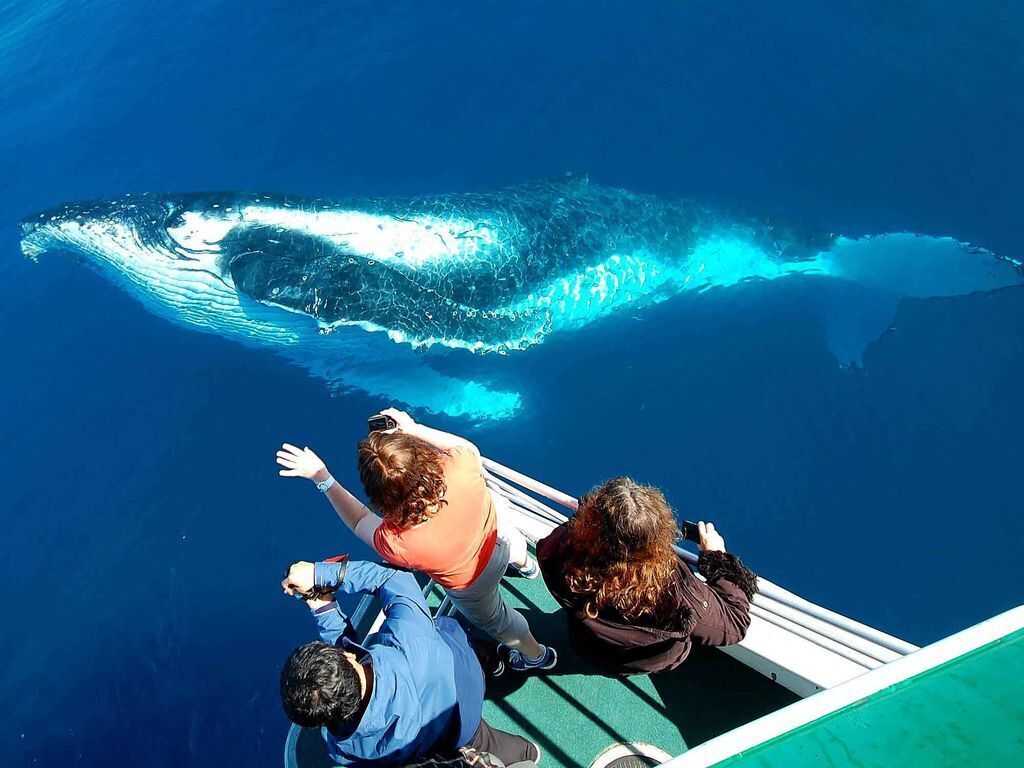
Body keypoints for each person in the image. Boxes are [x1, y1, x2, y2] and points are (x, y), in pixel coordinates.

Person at [276, 409, 556, 672]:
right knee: (512, 539)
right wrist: (413, 428)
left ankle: (536, 656)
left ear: (379, 495)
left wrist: (322, 478)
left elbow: (360, 520)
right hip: (497, 540)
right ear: (419, 454)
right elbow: (467, 448)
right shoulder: (461, 466)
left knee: (500, 622)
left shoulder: (398, 543)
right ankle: (527, 566)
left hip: (472, 584)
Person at [279, 556, 540, 767]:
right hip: (465, 675)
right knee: (468, 647)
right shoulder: (409, 637)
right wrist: (320, 575)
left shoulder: (347, 749)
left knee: (490, 743)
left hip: (457, 732)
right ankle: (495, 664)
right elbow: (392, 578)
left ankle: (527, 754)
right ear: (346, 655)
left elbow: (352, 685)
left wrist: (322, 606)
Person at [536, 476, 758, 675]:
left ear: (591, 523)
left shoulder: (560, 552)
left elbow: (566, 535)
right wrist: (717, 557)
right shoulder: (674, 591)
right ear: (657, 538)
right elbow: (735, 624)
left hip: (588, 644)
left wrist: (598, 514)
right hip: (640, 661)